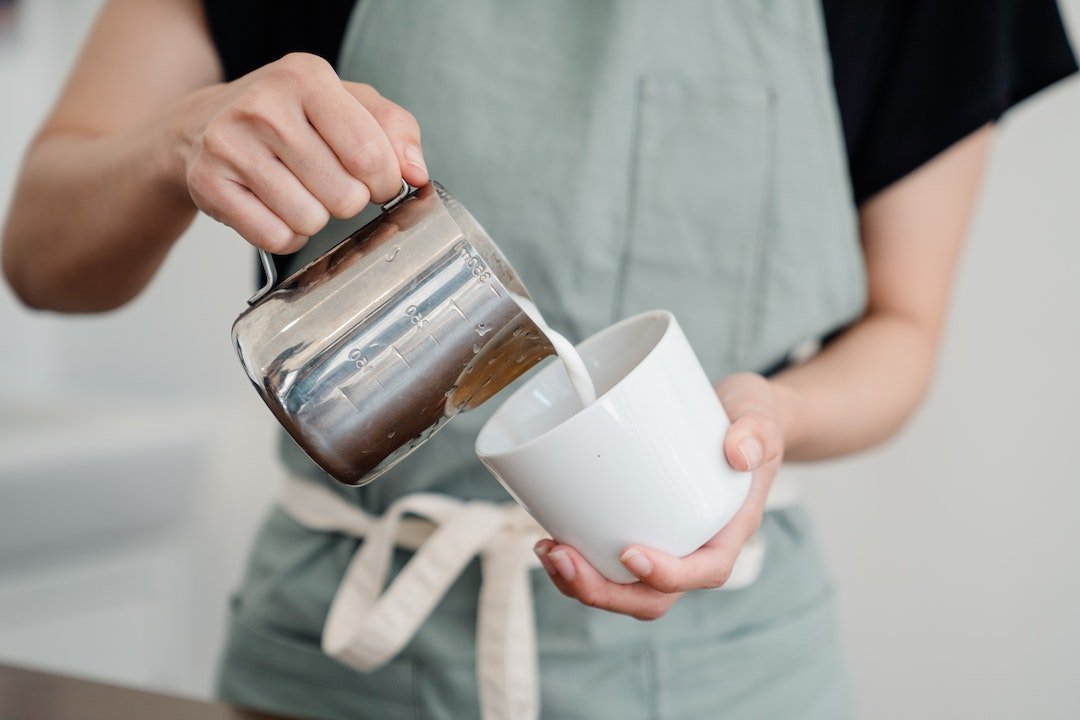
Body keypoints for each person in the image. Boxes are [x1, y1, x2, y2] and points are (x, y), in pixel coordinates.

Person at [2, 0, 1075, 717]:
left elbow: (904, 329)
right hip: (339, 663)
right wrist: (175, 141)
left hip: (727, 676)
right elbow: (41, 261)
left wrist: (768, 421)